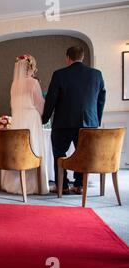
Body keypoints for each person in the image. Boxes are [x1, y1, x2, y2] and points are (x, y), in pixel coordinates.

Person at [42, 46, 106, 195]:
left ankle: (62, 186)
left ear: (67, 58)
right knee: (83, 154)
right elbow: (101, 99)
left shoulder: (59, 74)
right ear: (82, 57)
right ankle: (79, 185)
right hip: (88, 123)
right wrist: (95, 120)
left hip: (63, 123)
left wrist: (44, 118)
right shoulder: (96, 74)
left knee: (59, 153)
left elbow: (51, 99)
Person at [1, 54, 49, 195]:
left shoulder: (14, 84)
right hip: (31, 120)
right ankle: (34, 185)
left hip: (18, 119)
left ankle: (13, 184)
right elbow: (40, 105)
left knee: (18, 151)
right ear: (32, 67)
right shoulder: (33, 83)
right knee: (33, 149)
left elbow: (12, 105)